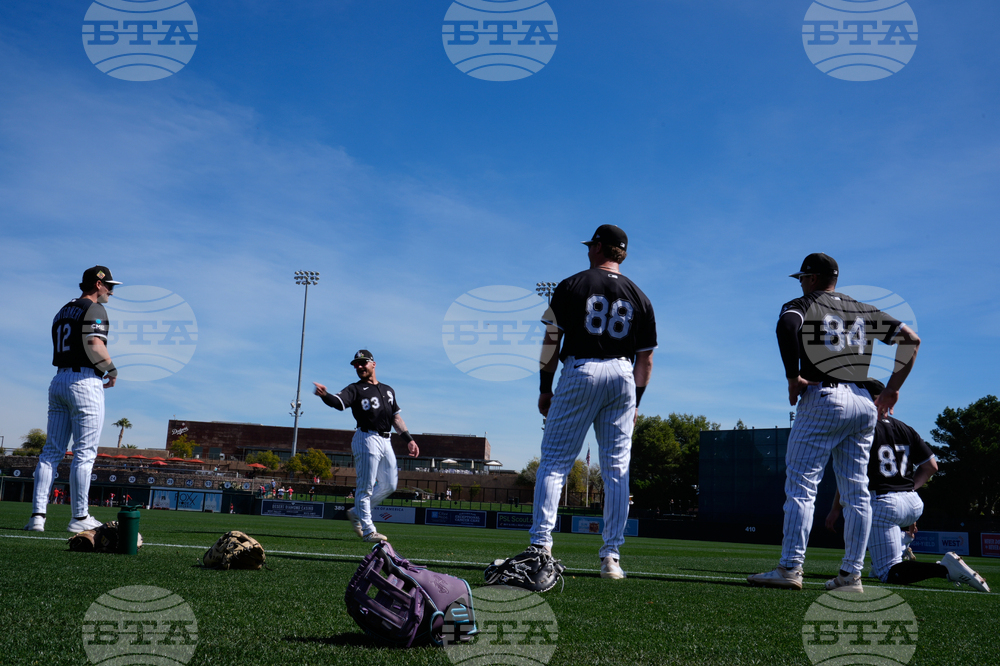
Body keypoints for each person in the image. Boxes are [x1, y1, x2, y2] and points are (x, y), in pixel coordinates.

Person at [749, 253, 921, 592]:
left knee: (801, 487)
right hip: (864, 402)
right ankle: (851, 576)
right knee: (857, 493)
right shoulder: (863, 309)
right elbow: (910, 339)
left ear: (812, 278)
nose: (801, 282)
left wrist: (792, 377)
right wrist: (891, 389)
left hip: (824, 396)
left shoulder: (804, 303)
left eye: (802, 277)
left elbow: (787, 326)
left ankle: (790, 567)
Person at [499, 225, 657, 580]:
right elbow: (645, 361)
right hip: (623, 375)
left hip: (581, 369)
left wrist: (545, 387)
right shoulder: (641, 296)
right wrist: (635, 404)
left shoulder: (572, 284)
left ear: (599, 247)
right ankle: (611, 557)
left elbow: (551, 341)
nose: (588, 250)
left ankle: (541, 546)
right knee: (616, 470)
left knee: (555, 462)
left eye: (591, 245)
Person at [825, 382, 989, 592]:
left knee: (888, 572)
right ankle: (897, 545)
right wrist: (908, 490)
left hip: (883, 503)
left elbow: (852, 475)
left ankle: (945, 569)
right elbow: (931, 466)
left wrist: (835, 508)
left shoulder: (860, 428)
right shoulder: (905, 428)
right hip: (912, 502)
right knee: (882, 549)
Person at [314, 349, 420, 542]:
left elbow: (396, 418)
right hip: (366, 438)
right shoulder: (355, 389)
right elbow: (338, 402)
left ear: (373, 364)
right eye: (356, 364)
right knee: (366, 487)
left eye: (363, 362)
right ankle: (369, 530)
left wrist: (409, 440)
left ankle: (356, 512)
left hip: (386, 440)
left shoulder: (388, 390)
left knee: (390, 485)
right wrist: (324, 395)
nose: (359, 366)